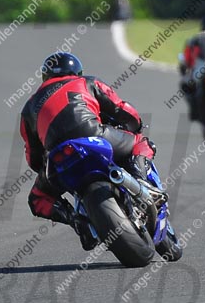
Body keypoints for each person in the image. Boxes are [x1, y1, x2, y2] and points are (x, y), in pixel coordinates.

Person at [19, 52, 156, 250]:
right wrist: (135, 124)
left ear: (45, 76)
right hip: (95, 136)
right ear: (77, 72)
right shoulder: (87, 82)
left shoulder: (28, 108)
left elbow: (32, 156)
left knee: (37, 199)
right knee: (140, 142)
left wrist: (46, 168)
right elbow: (121, 108)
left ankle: (76, 220)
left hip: (58, 157)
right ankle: (141, 179)